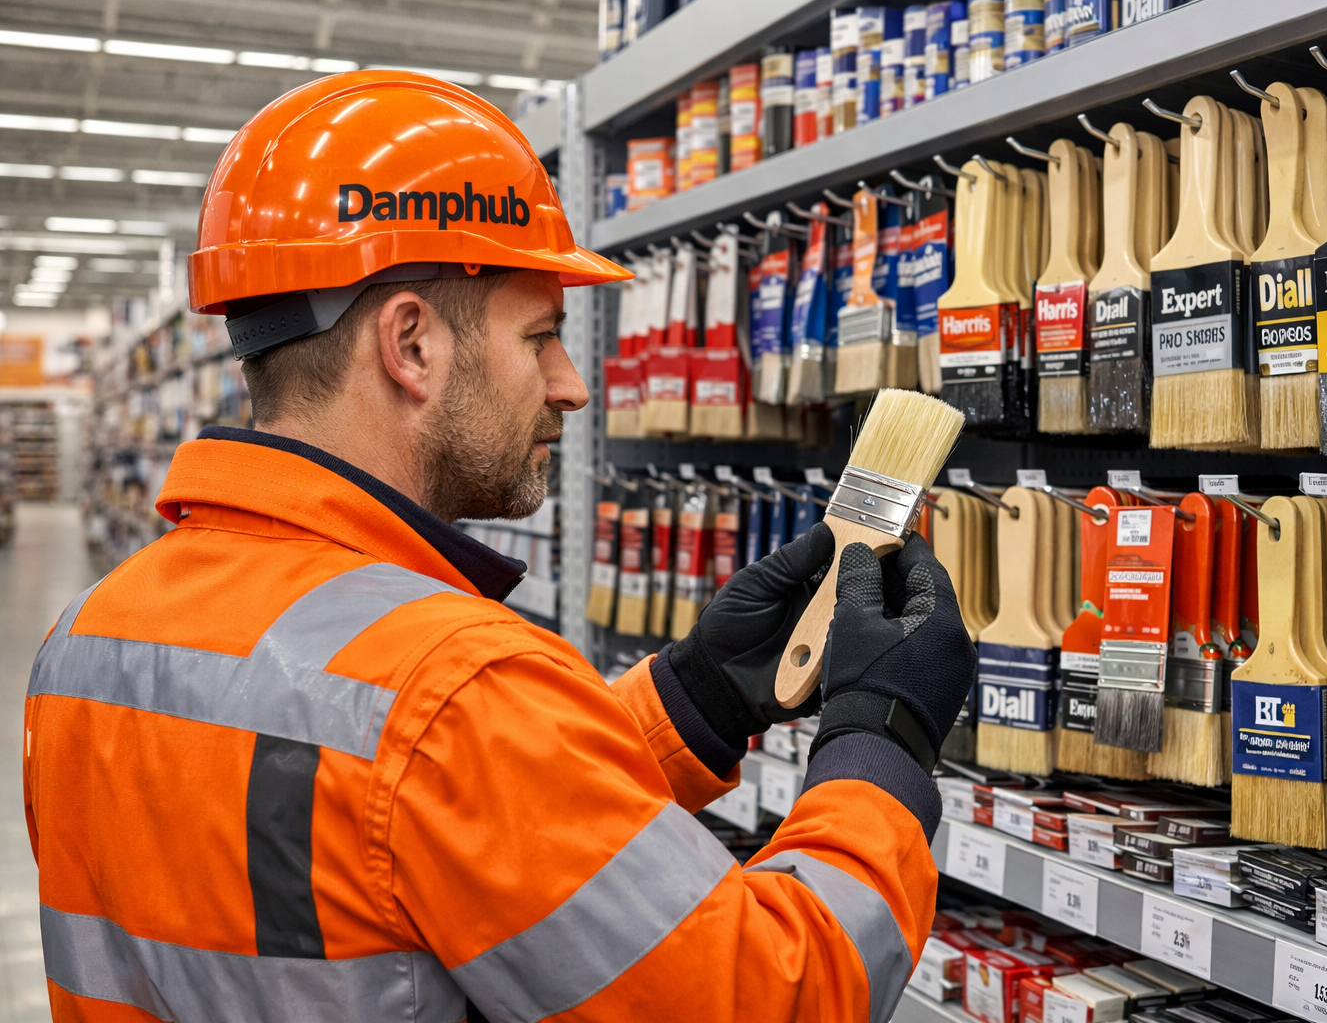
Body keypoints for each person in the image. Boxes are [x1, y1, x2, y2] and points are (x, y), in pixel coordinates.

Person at [24, 71, 977, 1023]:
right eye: (542, 337)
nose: (570, 385)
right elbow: (775, 995)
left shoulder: (89, 639)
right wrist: (880, 741)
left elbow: (420, 829)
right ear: (412, 347)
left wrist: (697, 696)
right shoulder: (447, 686)